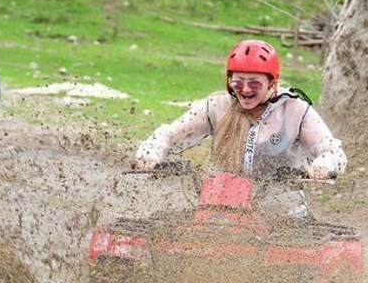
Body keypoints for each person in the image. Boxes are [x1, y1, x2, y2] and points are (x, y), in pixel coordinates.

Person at [135, 39, 347, 181]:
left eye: (254, 83)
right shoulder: (216, 106)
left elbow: (332, 151)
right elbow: (170, 134)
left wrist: (321, 166)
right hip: (219, 209)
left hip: (282, 213)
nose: (245, 90)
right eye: (238, 83)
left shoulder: (297, 111)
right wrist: (151, 153)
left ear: (273, 82)